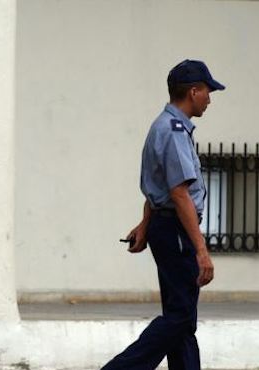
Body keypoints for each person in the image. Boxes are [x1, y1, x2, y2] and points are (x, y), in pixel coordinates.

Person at [102, 59, 223, 370]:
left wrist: (145, 224)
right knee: (180, 316)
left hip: (165, 225)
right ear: (193, 91)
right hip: (177, 230)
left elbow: (158, 185)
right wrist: (201, 250)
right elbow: (178, 193)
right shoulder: (173, 131)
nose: (210, 98)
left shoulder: (164, 126)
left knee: (181, 318)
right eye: (208, 91)